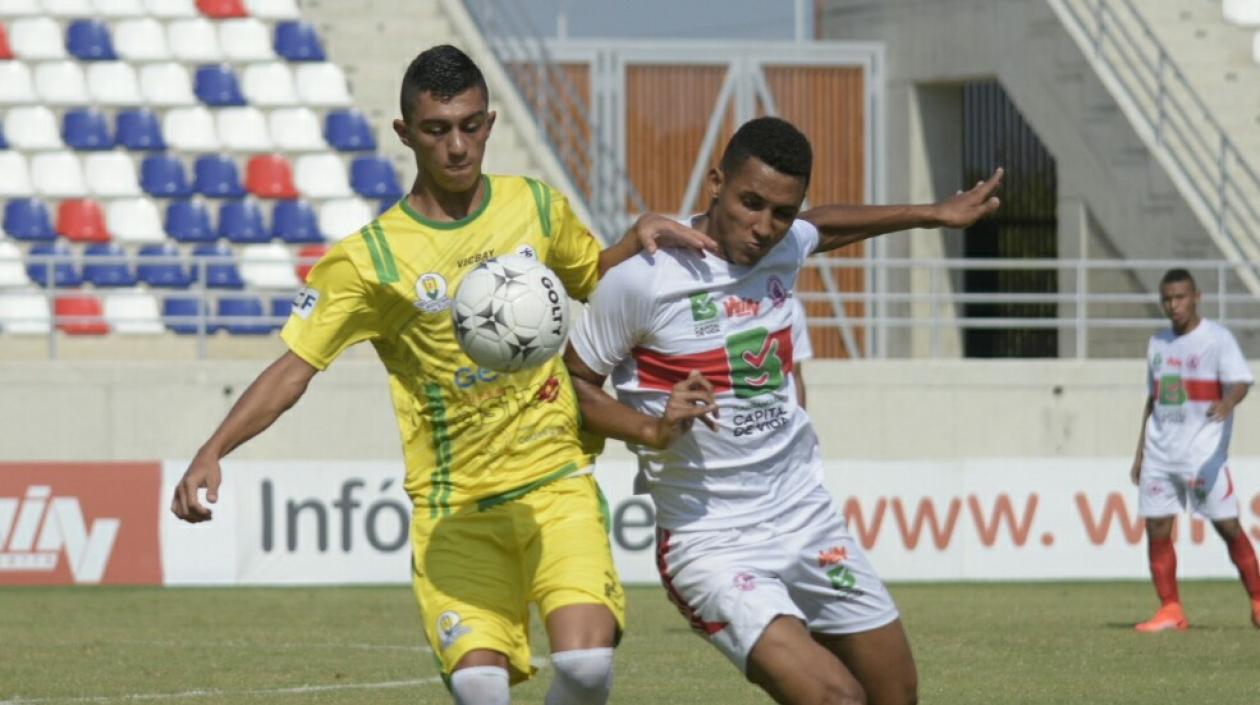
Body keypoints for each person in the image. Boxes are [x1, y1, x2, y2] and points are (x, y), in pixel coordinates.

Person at [169, 44, 718, 705]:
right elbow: (295, 367)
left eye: (471, 125)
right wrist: (214, 447)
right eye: (437, 129)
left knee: (587, 665)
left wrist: (637, 237)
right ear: (406, 133)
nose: (458, 146)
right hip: (454, 512)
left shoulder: (535, 207)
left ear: (488, 122)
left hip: (556, 488)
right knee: (482, 686)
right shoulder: (370, 259)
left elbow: (591, 277)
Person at [563, 116, 1002, 705]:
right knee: (836, 698)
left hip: (807, 516)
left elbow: (822, 227)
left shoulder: (786, 242)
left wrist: (932, 213)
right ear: (716, 181)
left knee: (895, 694)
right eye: (752, 203)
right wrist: (652, 427)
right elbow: (572, 384)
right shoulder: (645, 279)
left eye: (782, 213)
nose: (765, 228)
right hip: (711, 539)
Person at [1130, 268, 1260, 632]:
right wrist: (1140, 452)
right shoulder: (1157, 342)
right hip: (1160, 452)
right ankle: (1171, 609)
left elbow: (1241, 382)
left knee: (1227, 527)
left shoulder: (1217, 339)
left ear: (1196, 297)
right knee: (1157, 527)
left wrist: (1229, 401)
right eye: (1167, 299)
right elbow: (1153, 398)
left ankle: (1258, 599)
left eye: (1180, 297)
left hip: (1202, 455)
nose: (1173, 305)